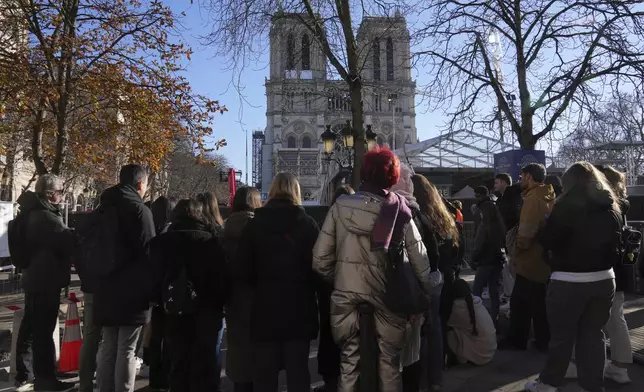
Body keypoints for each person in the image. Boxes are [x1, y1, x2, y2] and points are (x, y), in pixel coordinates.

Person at [313, 148, 431, 392]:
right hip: (389, 300)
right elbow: (420, 262)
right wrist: (424, 289)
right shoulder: (401, 210)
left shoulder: (340, 207)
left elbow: (320, 259)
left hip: (347, 301)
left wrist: (343, 279)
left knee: (349, 364)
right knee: (390, 364)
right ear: (393, 177)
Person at [524, 162, 622, 392]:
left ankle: (548, 383)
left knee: (562, 337)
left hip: (568, 280)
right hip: (604, 279)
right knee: (594, 335)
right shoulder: (611, 206)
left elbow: (547, 239)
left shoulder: (565, 206)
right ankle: (592, 386)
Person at [236, 173, 320, 392]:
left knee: (264, 375)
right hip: (299, 309)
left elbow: (242, 270)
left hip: (264, 308)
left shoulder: (255, 225)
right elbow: (319, 268)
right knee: (298, 373)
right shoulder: (308, 224)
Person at [150, 198, 228, 391]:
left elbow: (152, 279)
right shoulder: (211, 242)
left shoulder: (160, 243)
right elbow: (222, 280)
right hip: (207, 312)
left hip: (173, 312)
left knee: (178, 363)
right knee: (205, 364)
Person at [94, 164, 156, 392]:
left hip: (105, 287)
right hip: (133, 291)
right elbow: (149, 253)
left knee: (108, 346)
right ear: (141, 184)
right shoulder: (140, 211)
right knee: (127, 349)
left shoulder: (103, 208)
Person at [14, 175, 75, 391]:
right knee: (43, 331)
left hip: (35, 278)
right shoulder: (47, 218)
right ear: (50, 194)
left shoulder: (32, 212)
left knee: (31, 327)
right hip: (46, 281)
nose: (62, 195)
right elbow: (70, 243)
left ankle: (27, 374)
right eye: (61, 191)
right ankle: (45, 378)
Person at [392, 164, 439, 392]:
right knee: (412, 354)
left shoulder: (384, 210)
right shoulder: (414, 213)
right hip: (412, 297)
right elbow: (427, 258)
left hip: (386, 297)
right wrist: (430, 285)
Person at [501, 163, 555, 352]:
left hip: (529, 259)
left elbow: (527, 230)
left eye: (522, 176)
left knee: (522, 304)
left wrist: (517, 249)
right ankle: (540, 340)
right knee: (535, 303)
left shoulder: (532, 199)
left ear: (529, 177)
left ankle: (520, 340)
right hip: (542, 259)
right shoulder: (549, 195)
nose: (520, 180)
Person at [411, 174, 454, 391]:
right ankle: (435, 378)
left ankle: (418, 377)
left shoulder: (416, 216)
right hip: (442, 278)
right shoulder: (441, 214)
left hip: (423, 277)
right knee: (435, 327)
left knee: (419, 329)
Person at [592, 165, 632, 383]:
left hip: (604, 268)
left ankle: (582, 364)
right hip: (620, 268)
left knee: (592, 318)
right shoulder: (622, 206)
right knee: (617, 317)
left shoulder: (603, 207)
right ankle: (621, 366)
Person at [314, 184, 355, 392]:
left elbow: (319, 258)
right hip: (354, 286)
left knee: (329, 332)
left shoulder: (325, 224)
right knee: (352, 334)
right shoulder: (360, 224)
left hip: (329, 288)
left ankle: (330, 379)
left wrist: (330, 279)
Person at [222, 187, 262, 392]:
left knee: (237, 348)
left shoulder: (225, 228)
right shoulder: (260, 227)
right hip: (258, 297)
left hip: (234, 297)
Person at [144, 196, 176, 390]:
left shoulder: (148, 227)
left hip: (153, 293)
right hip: (167, 293)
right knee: (167, 337)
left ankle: (155, 376)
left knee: (154, 336)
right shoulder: (170, 233)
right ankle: (163, 376)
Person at [445, 279, 497, 366]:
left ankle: (461, 357)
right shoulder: (476, 301)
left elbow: (447, 324)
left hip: (481, 355)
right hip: (490, 350)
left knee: (449, 333)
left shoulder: (458, 308)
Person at [471, 200, 507, 324]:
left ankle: (477, 317)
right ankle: (494, 317)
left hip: (484, 261)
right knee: (494, 291)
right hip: (497, 261)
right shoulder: (500, 226)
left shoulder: (484, 226)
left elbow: (478, 245)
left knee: (477, 290)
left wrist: (474, 258)